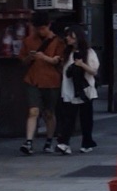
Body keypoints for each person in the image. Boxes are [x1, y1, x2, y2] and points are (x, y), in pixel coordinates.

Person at [18, 10, 64, 155]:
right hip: (32, 80)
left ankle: (49, 140)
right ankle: (28, 142)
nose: (40, 31)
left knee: (49, 113)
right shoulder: (28, 41)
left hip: (52, 81)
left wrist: (44, 57)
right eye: (37, 28)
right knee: (33, 111)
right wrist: (29, 58)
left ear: (49, 25)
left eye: (43, 28)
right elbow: (22, 61)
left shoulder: (58, 41)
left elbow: (59, 60)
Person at [54, 26, 99, 154]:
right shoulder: (67, 53)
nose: (67, 38)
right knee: (68, 117)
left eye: (70, 36)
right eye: (67, 36)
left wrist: (82, 64)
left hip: (84, 90)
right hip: (69, 89)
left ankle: (86, 142)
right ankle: (64, 143)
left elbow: (94, 71)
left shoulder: (89, 52)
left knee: (86, 118)